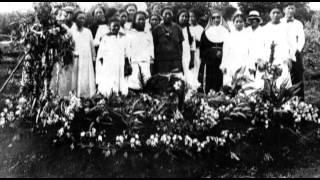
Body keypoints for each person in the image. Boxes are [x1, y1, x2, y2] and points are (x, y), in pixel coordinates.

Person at [260, 6, 295, 89]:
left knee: (283, 82)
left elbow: (291, 44)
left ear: (281, 15)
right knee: (266, 82)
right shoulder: (265, 29)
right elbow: (261, 45)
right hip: (267, 59)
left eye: (278, 13)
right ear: (270, 15)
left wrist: (290, 58)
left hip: (282, 58)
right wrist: (261, 59)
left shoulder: (286, 28)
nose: (275, 15)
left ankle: (283, 100)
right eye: (273, 13)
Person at [96, 18, 128, 96]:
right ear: (109, 27)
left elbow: (126, 51)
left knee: (119, 76)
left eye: (118, 26)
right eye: (114, 26)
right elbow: (101, 53)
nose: (116, 28)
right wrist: (103, 64)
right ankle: (109, 93)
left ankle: (119, 93)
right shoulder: (106, 38)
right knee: (110, 78)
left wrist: (126, 60)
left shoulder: (123, 37)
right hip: (109, 62)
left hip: (120, 61)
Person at [199, 9, 229, 93]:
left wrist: (222, 53)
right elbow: (202, 49)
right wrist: (213, 53)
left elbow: (230, 47)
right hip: (210, 63)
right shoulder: (206, 32)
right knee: (210, 83)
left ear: (221, 18)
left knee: (221, 83)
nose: (216, 20)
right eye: (214, 18)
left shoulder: (226, 31)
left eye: (218, 17)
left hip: (222, 62)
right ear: (211, 19)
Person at [281, 3, 306, 100]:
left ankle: (300, 104)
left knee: (298, 78)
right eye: (288, 8)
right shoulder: (279, 22)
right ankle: (284, 102)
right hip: (282, 55)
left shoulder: (298, 23)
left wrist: (297, 50)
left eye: (292, 8)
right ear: (284, 10)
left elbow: (301, 39)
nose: (290, 10)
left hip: (295, 54)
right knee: (284, 79)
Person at [70, 10, 96, 98]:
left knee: (86, 77)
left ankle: (87, 97)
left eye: (84, 18)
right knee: (77, 78)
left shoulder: (88, 31)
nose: (82, 20)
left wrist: (93, 58)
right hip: (76, 58)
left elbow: (92, 46)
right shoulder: (71, 32)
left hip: (87, 58)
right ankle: (76, 97)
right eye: (80, 18)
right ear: (75, 19)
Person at [152, 6, 184, 76]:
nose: (168, 16)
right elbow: (154, 46)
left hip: (175, 61)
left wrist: (180, 58)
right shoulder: (156, 29)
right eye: (165, 14)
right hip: (161, 61)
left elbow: (180, 44)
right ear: (161, 16)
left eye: (169, 14)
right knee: (163, 81)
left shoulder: (177, 28)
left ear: (172, 15)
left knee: (176, 81)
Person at [50, 7, 74, 97]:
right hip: (60, 55)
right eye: (66, 14)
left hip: (70, 55)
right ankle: (59, 95)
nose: (68, 16)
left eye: (70, 14)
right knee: (60, 74)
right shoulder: (58, 27)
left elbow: (71, 36)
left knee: (69, 76)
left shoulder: (72, 26)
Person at [126, 11, 154, 90]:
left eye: (143, 19)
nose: (141, 21)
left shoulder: (148, 34)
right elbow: (128, 50)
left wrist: (151, 62)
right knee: (134, 85)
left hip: (146, 62)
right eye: (139, 19)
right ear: (135, 21)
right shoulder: (129, 34)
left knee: (147, 84)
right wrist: (128, 63)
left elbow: (151, 49)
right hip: (134, 63)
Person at [221, 13, 250, 87]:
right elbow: (225, 51)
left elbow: (250, 51)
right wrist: (223, 64)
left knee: (243, 84)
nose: (239, 23)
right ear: (233, 23)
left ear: (244, 23)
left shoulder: (248, 35)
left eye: (241, 21)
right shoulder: (229, 35)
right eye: (237, 21)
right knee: (230, 85)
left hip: (243, 62)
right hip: (231, 63)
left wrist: (248, 65)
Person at [177, 9, 199, 89]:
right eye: (182, 16)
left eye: (186, 16)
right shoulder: (175, 28)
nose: (184, 18)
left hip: (187, 57)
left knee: (189, 77)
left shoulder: (190, 30)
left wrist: (192, 60)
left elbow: (193, 47)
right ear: (178, 17)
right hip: (177, 57)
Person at [189, 8, 204, 87]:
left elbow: (203, 43)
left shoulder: (201, 29)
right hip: (187, 53)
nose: (191, 19)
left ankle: (195, 89)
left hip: (197, 53)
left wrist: (195, 42)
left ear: (197, 18)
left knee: (195, 71)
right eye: (190, 16)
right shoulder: (186, 28)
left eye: (193, 17)